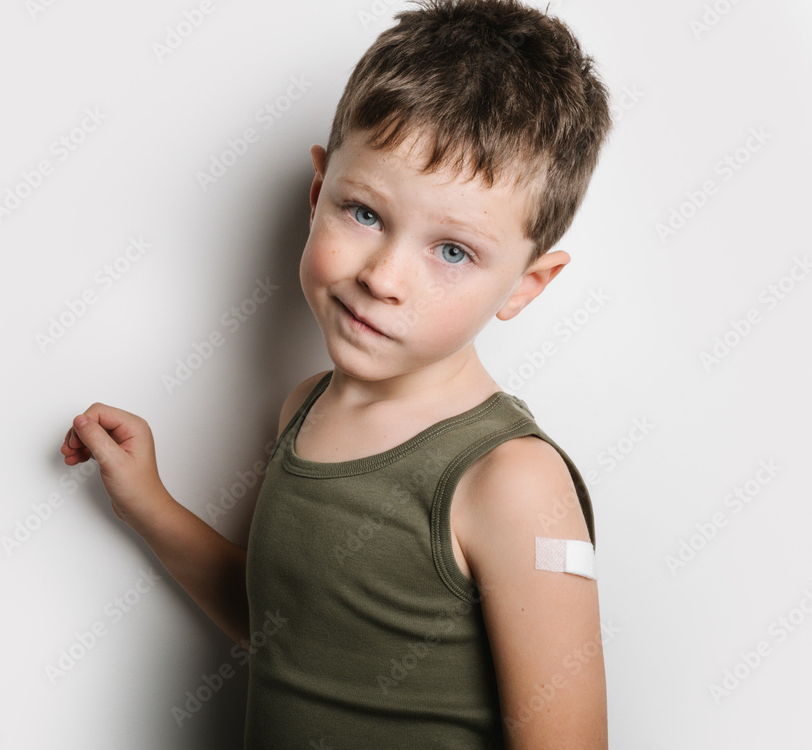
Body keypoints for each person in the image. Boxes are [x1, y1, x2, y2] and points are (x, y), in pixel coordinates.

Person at [60, 0, 612, 746]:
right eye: (365, 214)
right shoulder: (304, 411)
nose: (385, 277)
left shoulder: (513, 482)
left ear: (524, 285)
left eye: (452, 252)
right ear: (319, 195)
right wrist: (148, 503)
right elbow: (286, 626)